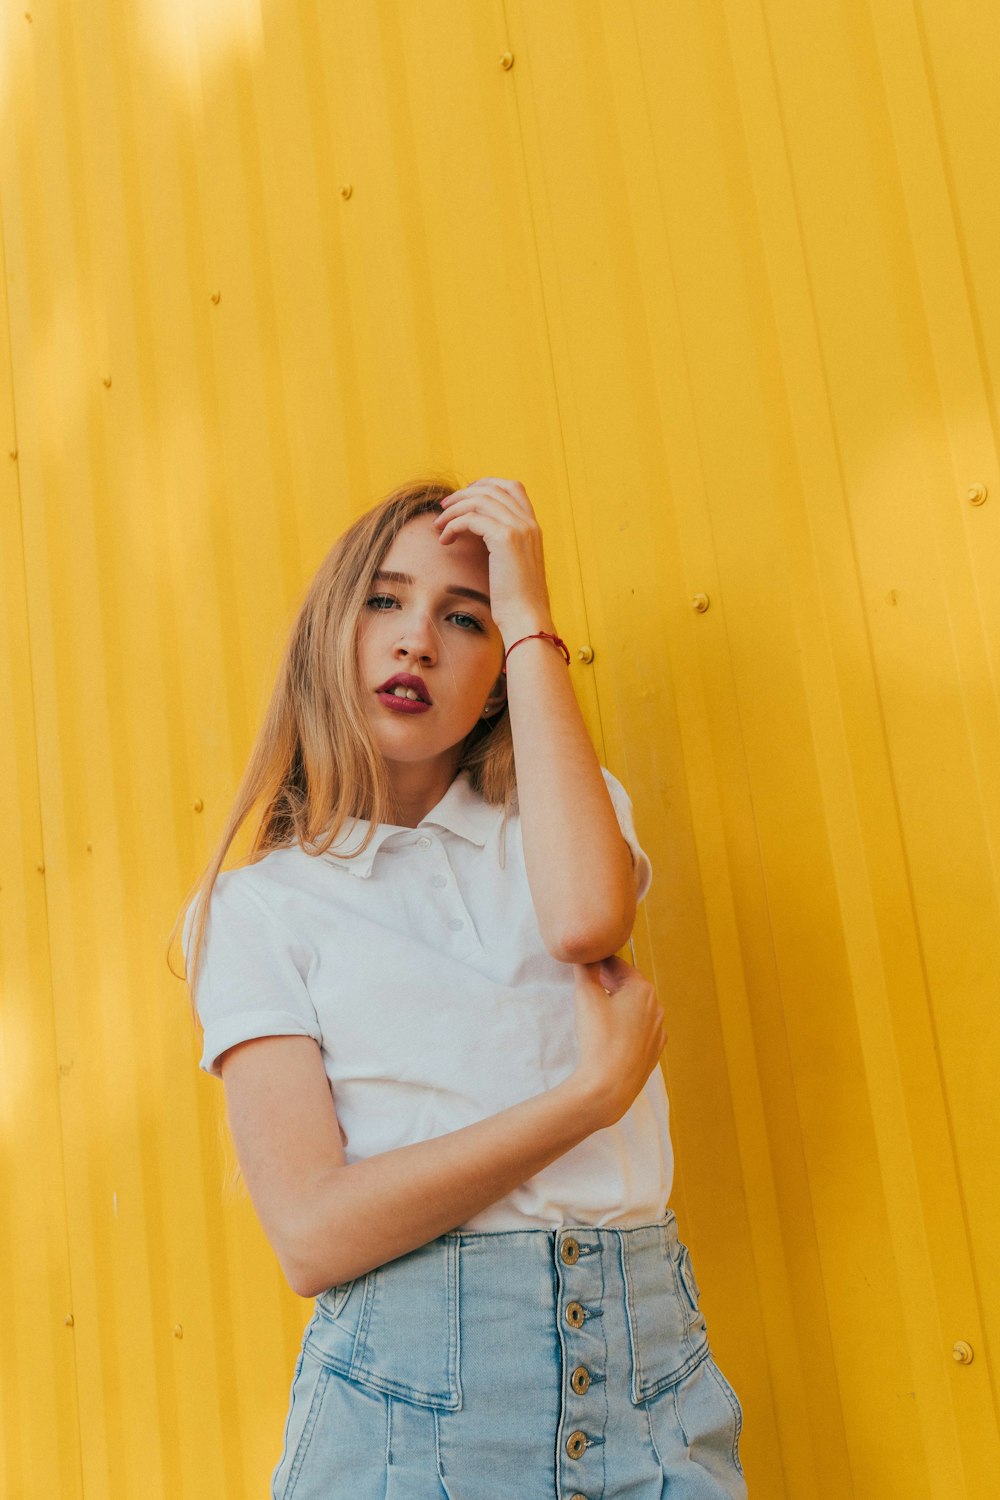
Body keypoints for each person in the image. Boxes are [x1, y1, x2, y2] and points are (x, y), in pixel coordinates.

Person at [177, 475, 747, 1498]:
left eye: (464, 617)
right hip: (410, 1410)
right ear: (330, 637)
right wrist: (585, 1100)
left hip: (649, 1374)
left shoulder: (559, 819)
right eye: (384, 602)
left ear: (497, 676)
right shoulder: (261, 910)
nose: (415, 643)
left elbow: (586, 921)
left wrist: (532, 619)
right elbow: (311, 1235)